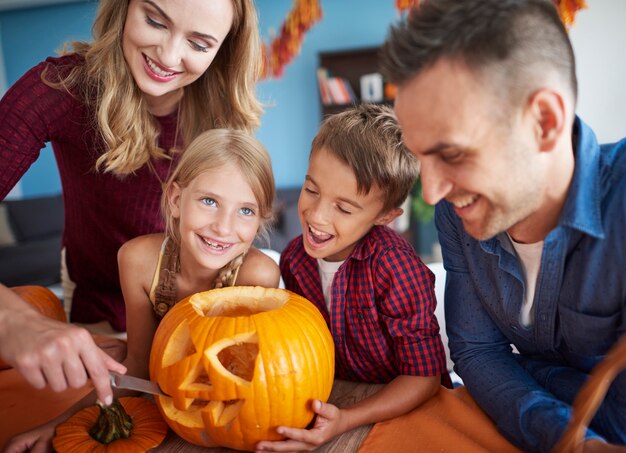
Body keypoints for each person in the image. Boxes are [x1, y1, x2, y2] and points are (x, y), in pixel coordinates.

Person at [381, 0, 626, 451]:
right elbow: (477, 352)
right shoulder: (455, 216)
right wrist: (571, 439)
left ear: (544, 121)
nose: (432, 193)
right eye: (421, 159)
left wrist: (526, 379)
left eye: (452, 154)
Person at [0, 0, 263, 405]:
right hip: (96, 301)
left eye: (199, 43)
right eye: (155, 20)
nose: (169, 56)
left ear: (222, 49)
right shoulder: (60, 86)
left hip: (190, 305)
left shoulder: (221, 114)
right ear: (123, 7)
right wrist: (11, 319)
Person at [4, 128, 280, 453]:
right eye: (209, 201)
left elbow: (251, 380)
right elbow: (139, 366)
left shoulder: (258, 275)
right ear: (176, 200)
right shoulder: (138, 260)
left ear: (261, 219)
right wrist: (60, 424)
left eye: (245, 211)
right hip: (167, 405)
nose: (223, 227)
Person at [256, 104, 450, 452]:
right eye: (311, 189)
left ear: (386, 216)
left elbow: (424, 378)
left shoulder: (396, 269)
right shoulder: (294, 258)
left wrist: (346, 419)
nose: (316, 215)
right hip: (335, 398)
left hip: (398, 409)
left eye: (344, 209)